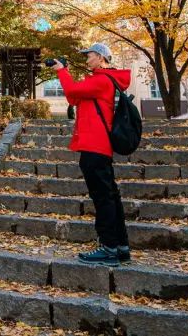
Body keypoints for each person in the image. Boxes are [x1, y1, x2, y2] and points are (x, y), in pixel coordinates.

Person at [49, 43, 131, 266]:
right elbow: (74, 99)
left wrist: (61, 71)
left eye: (90, 56)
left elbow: (73, 91)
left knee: (103, 197)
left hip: (95, 146)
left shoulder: (103, 80)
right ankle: (120, 246)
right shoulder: (100, 80)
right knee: (110, 195)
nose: (87, 59)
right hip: (96, 146)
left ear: (102, 58)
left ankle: (109, 248)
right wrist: (65, 73)